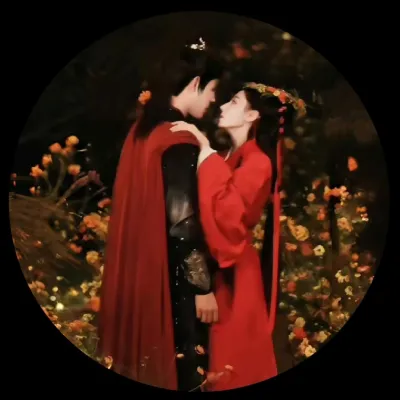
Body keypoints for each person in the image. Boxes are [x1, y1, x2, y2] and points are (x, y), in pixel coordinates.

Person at [98, 40, 225, 391]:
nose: (214, 100)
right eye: (212, 90)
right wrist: (202, 286)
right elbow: (182, 220)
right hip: (173, 279)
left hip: (144, 269)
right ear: (196, 84)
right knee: (185, 373)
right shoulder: (178, 138)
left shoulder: (145, 131)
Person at [171, 82, 306, 390]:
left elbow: (228, 218)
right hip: (217, 265)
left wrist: (205, 152)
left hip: (235, 270)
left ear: (252, 115)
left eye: (233, 102)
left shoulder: (258, 162)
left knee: (232, 361)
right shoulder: (228, 156)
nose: (222, 106)